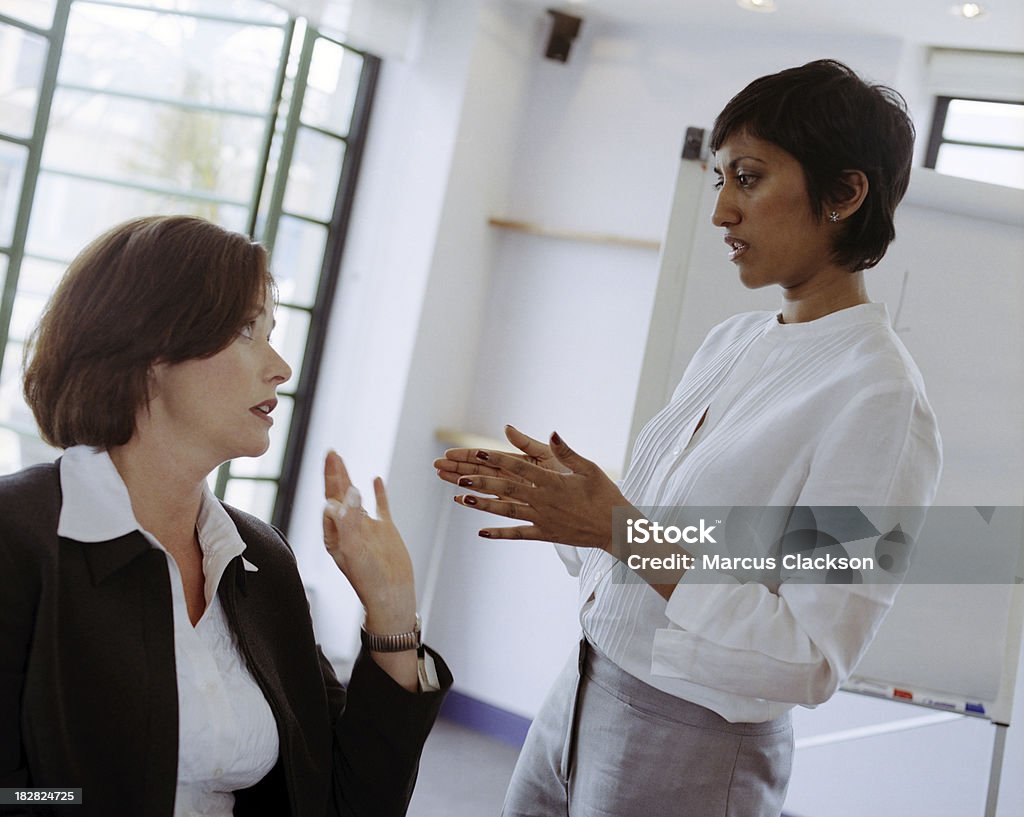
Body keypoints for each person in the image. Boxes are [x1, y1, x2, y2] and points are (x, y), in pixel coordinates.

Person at [435, 59, 941, 816]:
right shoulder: (732, 340)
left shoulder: (881, 397)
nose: (721, 212)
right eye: (720, 181)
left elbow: (810, 657)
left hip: (694, 744)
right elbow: (671, 538)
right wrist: (571, 508)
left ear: (844, 193)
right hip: (579, 689)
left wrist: (618, 528)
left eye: (748, 177)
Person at [0, 215, 451, 817]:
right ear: (150, 347)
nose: (281, 367)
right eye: (247, 330)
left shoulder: (259, 558)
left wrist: (392, 611)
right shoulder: (16, 540)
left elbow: (342, 802)